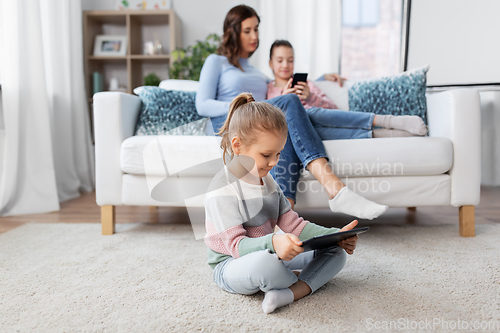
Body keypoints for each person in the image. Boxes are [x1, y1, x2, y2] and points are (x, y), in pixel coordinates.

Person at [196, 4, 396, 219]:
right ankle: (335, 189)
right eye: (247, 30)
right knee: (290, 101)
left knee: (284, 125)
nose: (254, 36)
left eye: (257, 29)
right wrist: (243, 107)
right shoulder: (216, 62)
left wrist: (321, 79)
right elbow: (202, 104)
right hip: (227, 123)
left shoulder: (257, 73)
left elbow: (278, 88)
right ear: (232, 32)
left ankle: (284, 214)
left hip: (255, 121)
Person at [205, 93, 359, 314]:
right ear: (237, 146)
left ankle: (288, 292)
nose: (275, 163)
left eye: (278, 153)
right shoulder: (223, 189)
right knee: (265, 265)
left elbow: (294, 225)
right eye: (267, 154)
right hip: (232, 264)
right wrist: (275, 242)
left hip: (270, 252)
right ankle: (299, 281)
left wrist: (335, 235)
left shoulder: (268, 182)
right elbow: (236, 247)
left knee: (335, 253)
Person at [267, 39, 428, 140]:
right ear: (271, 63)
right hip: (302, 129)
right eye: (280, 60)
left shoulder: (308, 83)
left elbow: (332, 108)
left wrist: (310, 98)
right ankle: (396, 134)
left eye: (290, 60)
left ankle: (389, 121)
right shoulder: (269, 91)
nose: (285, 65)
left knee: (313, 113)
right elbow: (271, 120)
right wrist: (285, 98)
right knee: (315, 129)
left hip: (319, 118)